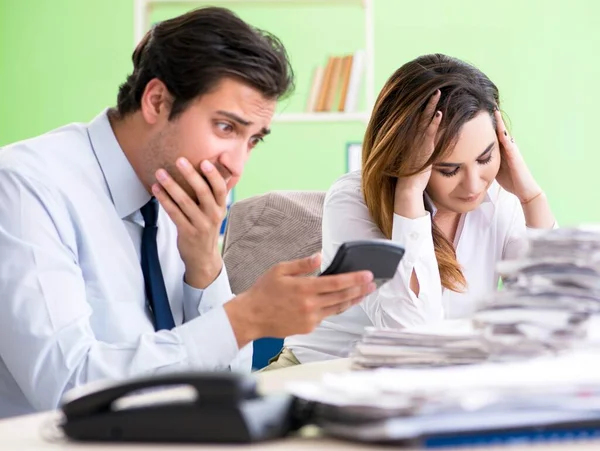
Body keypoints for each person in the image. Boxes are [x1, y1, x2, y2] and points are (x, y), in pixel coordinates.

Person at [0, 7, 376, 418]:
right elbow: (69, 388)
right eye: (226, 128)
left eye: (253, 140)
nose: (237, 164)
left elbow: (231, 377)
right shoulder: (24, 187)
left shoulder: (178, 195)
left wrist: (205, 266)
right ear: (157, 100)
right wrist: (244, 318)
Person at [275, 53, 556, 366]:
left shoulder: (500, 199)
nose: (474, 185)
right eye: (449, 170)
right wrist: (408, 194)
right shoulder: (351, 201)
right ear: (407, 160)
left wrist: (532, 198)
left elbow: (553, 314)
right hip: (323, 370)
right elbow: (410, 332)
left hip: (438, 379)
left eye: (485, 158)